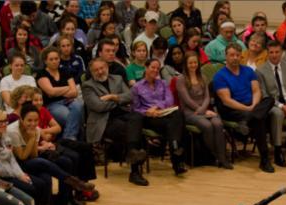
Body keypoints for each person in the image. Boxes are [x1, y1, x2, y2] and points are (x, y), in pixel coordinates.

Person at [6, 103, 95, 205]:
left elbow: (33, 154)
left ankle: (63, 201)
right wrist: (31, 138)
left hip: (31, 160)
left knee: (64, 162)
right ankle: (76, 182)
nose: (33, 123)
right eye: (29, 120)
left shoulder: (36, 130)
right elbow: (22, 156)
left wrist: (34, 137)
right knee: (42, 163)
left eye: (36, 120)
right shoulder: (12, 131)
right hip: (16, 164)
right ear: (21, 119)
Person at [82, 57, 148, 185]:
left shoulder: (117, 78)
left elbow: (130, 96)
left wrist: (112, 97)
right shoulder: (87, 86)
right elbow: (98, 106)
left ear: (106, 67)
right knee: (130, 130)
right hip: (104, 121)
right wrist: (119, 101)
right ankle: (135, 172)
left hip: (123, 114)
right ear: (91, 72)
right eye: (96, 70)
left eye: (102, 68)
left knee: (137, 117)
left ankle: (132, 155)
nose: (100, 72)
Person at [214, 43, 275, 172]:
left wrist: (253, 106)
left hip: (251, 106)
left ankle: (247, 120)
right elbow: (226, 100)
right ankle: (264, 159)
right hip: (232, 109)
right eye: (232, 55)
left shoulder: (248, 71)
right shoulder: (220, 76)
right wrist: (247, 109)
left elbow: (256, 91)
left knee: (270, 99)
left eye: (237, 55)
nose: (235, 58)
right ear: (226, 56)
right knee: (259, 119)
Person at [132, 58, 187, 176]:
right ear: (146, 68)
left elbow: (169, 100)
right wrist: (148, 111)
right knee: (172, 125)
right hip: (149, 118)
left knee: (178, 114)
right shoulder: (137, 87)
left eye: (157, 68)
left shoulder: (163, 83)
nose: (155, 70)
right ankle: (176, 156)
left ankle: (175, 151)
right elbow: (136, 108)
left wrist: (157, 107)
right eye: (153, 67)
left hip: (163, 113)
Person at [176, 52, 231, 169]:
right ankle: (217, 155)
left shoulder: (203, 77)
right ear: (186, 64)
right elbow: (186, 100)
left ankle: (222, 157)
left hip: (204, 109)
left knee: (218, 123)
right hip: (190, 112)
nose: (193, 65)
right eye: (190, 63)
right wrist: (202, 110)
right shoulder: (180, 79)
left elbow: (207, 97)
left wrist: (204, 109)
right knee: (207, 126)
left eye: (195, 62)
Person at [37, 47, 84, 142]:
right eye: (51, 59)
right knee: (70, 117)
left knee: (79, 105)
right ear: (45, 61)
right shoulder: (42, 74)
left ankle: (67, 138)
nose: (55, 61)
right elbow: (50, 92)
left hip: (68, 101)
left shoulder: (65, 71)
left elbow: (74, 92)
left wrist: (57, 91)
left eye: (56, 58)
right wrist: (67, 88)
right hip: (52, 104)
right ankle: (70, 140)